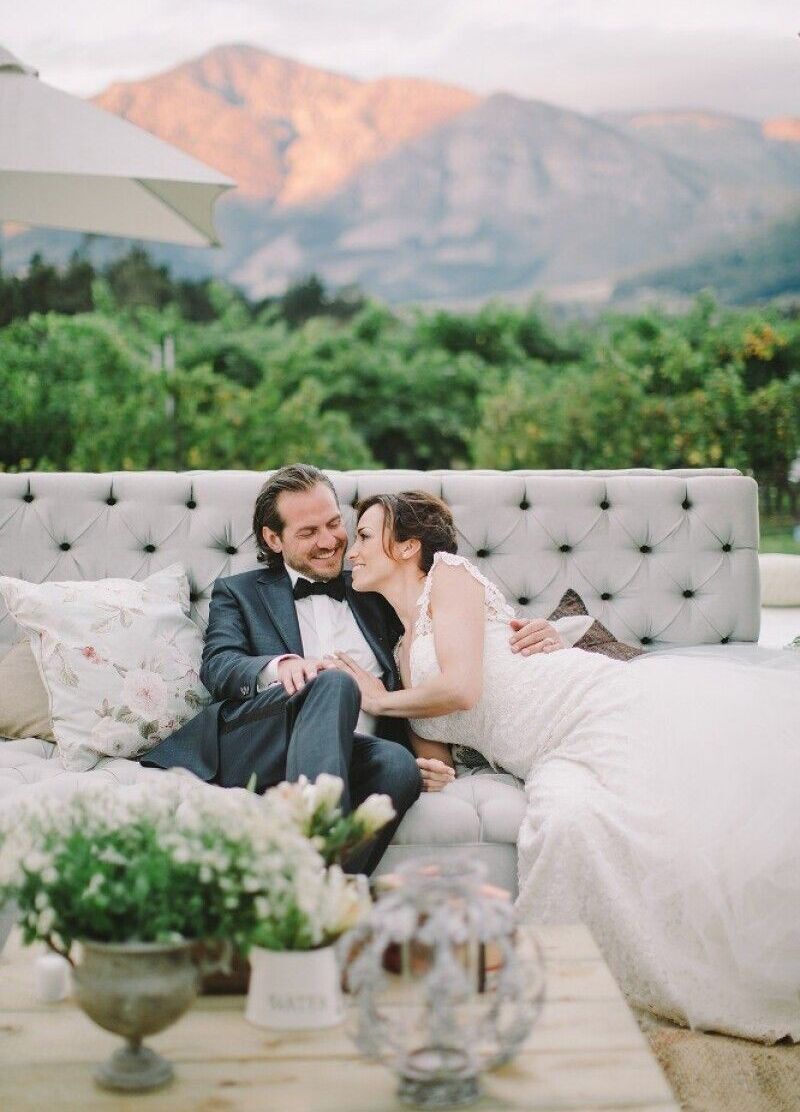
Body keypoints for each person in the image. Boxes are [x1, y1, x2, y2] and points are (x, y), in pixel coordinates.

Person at [328, 490, 800, 1039]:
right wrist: (428, 770)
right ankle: (573, 995)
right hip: (550, 755)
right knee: (566, 826)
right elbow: (438, 752)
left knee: (686, 802)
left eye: (364, 536)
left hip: (592, 706)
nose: (351, 551)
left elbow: (460, 687)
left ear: (408, 545)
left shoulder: (450, 579)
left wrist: (378, 700)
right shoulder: (404, 654)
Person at [143, 465, 564, 874]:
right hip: (260, 741)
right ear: (274, 538)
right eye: (308, 532)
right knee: (334, 683)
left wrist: (532, 634)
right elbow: (218, 666)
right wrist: (281, 665)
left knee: (398, 768)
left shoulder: (372, 587)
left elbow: (446, 634)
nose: (330, 541)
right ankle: (317, 857)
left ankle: (320, 887)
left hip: (353, 751)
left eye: (333, 524)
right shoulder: (239, 592)